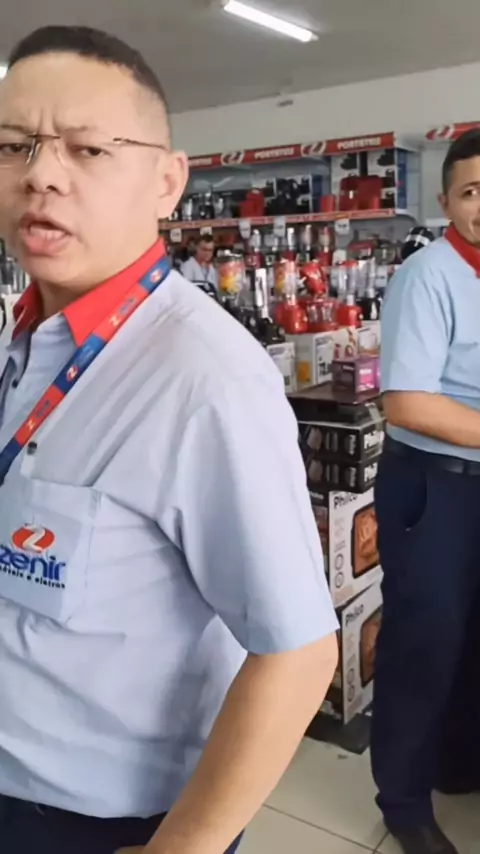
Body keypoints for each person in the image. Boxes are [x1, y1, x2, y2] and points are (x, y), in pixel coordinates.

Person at [0, 24, 339, 854]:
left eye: (88, 149)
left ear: (167, 181)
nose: (41, 174)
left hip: (87, 821)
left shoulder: (206, 380)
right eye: (12, 146)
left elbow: (298, 653)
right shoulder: (27, 334)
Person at [371, 128, 480, 854]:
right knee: (425, 645)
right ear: (446, 201)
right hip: (435, 489)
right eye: (472, 192)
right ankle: (404, 802)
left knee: (472, 642)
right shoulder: (428, 275)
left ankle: (458, 763)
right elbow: (407, 403)